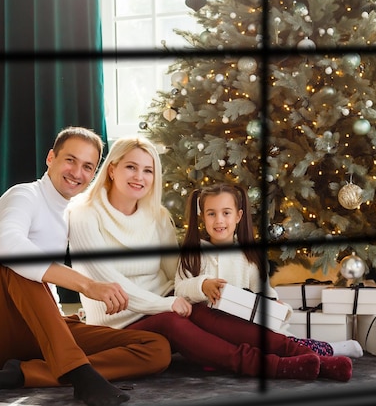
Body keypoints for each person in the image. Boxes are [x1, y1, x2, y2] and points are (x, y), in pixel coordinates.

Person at [67, 135, 352, 382]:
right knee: (172, 321)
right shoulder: (83, 213)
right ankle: (274, 366)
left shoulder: (158, 217)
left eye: (148, 170)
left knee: (205, 311)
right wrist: (165, 304)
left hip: (163, 304)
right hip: (117, 318)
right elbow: (106, 279)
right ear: (112, 169)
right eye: (131, 167)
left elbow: (172, 276)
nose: (139, 177)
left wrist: (188, 296)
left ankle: (306, 355)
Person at [0, 126, 172, 406]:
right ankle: (80, 375)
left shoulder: (66, 214)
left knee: (156, 348)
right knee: (20, 263)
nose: (77, 172)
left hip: (38, 331)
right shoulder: (23, 195)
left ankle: (21, 373)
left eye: (88, 166)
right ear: (51, 158)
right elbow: (8, 244)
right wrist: (87, 285)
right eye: (70, 160)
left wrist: (61, 322)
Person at [174, 183, 362, 358]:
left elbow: (263, 294)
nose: (219, 221)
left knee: (269, 341)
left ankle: (323, 350)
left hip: (245, 331)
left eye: (226, 213)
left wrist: (276, 307)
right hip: (208, 334)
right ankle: (312, 351)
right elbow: (179, 290)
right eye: (211, 214)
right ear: (202, 216)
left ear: (238, 216)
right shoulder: (193, 252)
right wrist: (202, 285)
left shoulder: (249, 257)